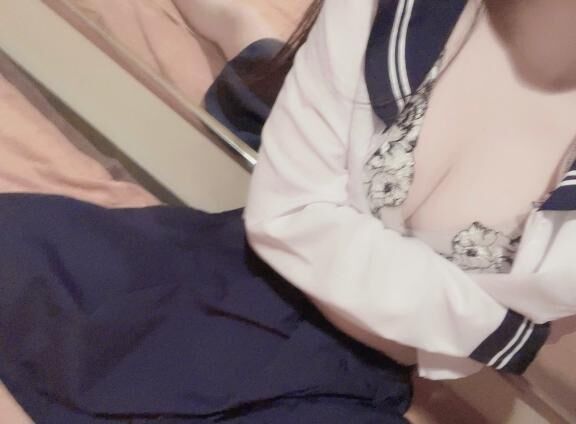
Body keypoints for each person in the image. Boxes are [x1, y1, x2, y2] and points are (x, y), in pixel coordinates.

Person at [1, 0, 576, 422]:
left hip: (344, 386)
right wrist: (494, 327)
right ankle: (243, 33)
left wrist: (321, 223)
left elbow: (305, 218)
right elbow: (286, 217)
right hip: (218, 271)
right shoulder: (391, 13)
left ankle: (247, 39)